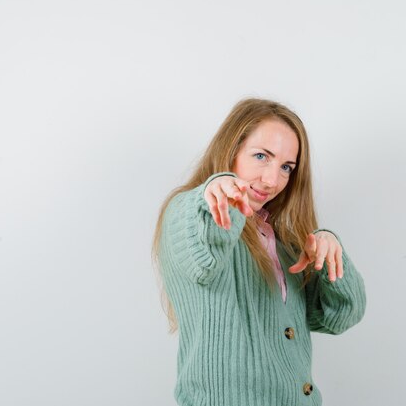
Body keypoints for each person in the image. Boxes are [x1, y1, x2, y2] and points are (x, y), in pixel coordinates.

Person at [151, 98, 366, 406]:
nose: (272, 180)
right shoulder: (188, 211)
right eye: (261, 156)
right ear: (231, 150)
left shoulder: (282, 243)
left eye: (286, 167)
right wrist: (218, 185)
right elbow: (202, 260)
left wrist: (331, 251)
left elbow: (340, 316)